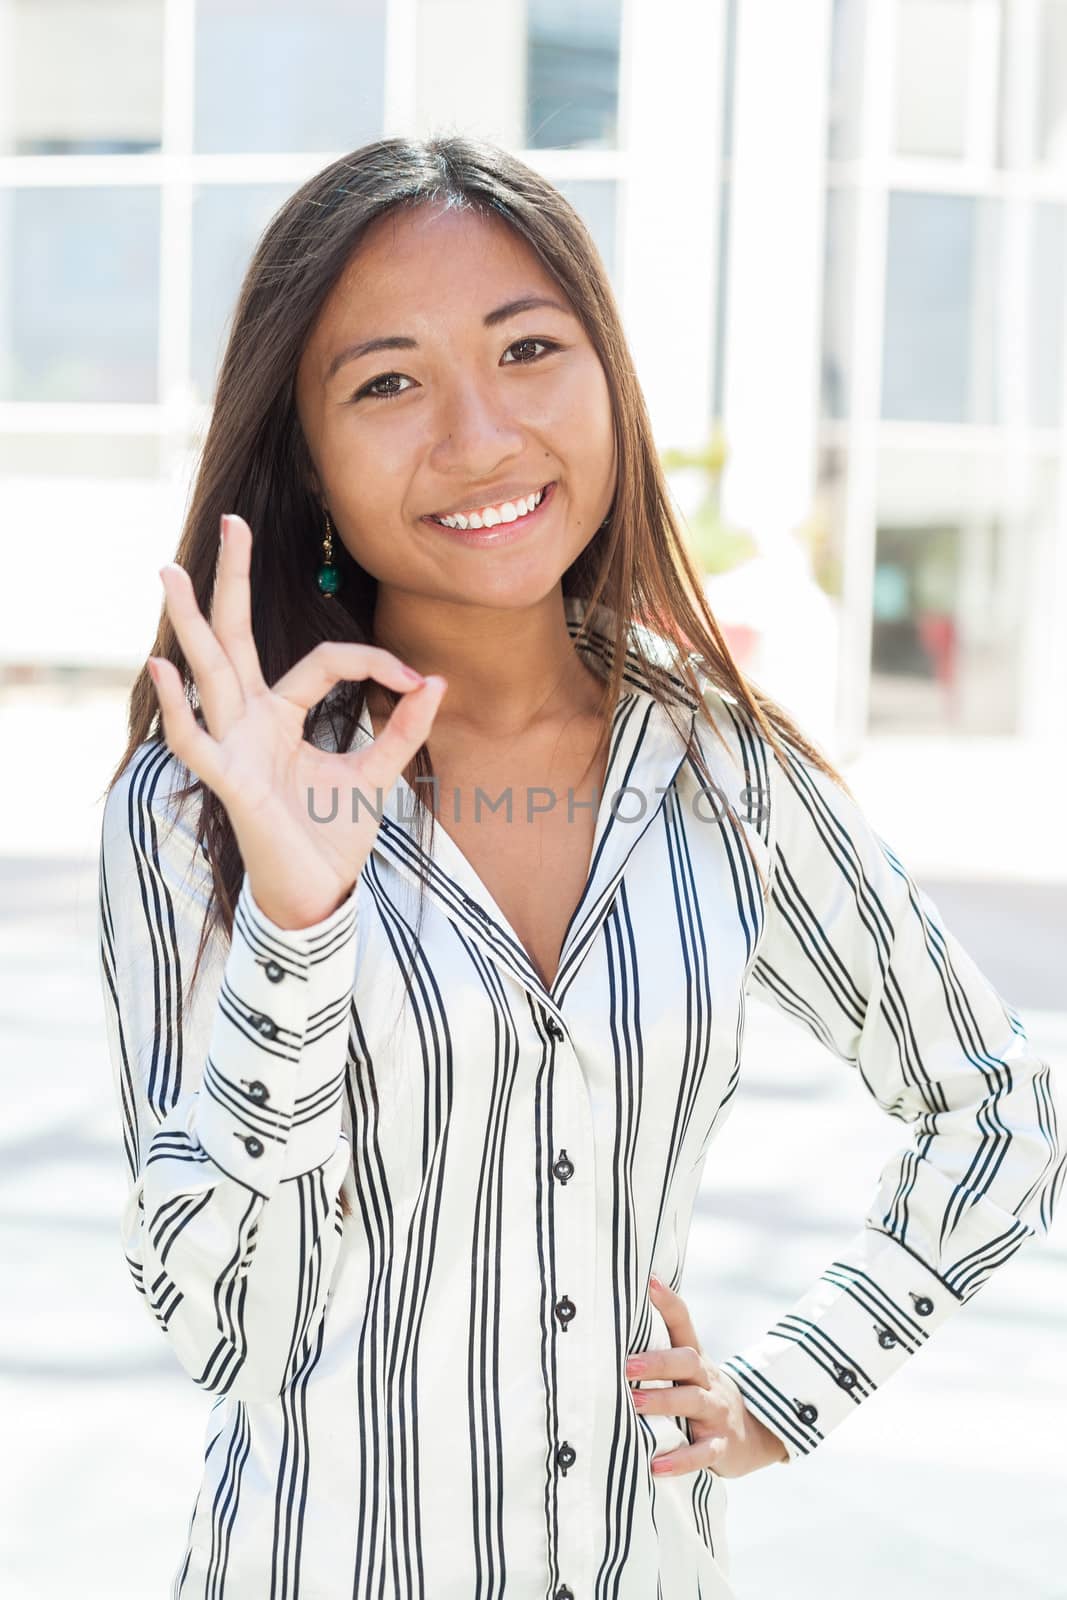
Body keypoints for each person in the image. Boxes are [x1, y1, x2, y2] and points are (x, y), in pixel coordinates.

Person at [97, 136, 1063, 1600]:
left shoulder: (723, 768)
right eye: (387, 382)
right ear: (303, 454)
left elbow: (996, 1107)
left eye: (528, 349)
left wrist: (788, 1388)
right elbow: (230, 1331)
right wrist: (302, 924)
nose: (481, 434)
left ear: (606, 376)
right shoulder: (198, 810)